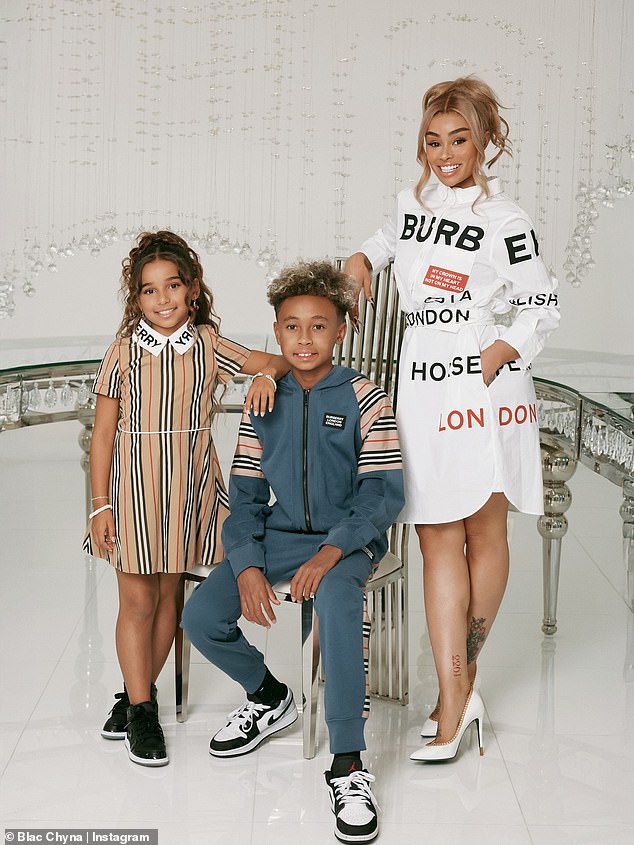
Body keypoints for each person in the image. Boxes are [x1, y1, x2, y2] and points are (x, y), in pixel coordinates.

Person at [344, 76, 560, 762]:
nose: (445, 154)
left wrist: (496, 354)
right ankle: (458, 691)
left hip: (485, 386)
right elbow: (381, 244)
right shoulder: (411, 204)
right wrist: (358, 260)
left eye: (459, 140)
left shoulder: (507, 220)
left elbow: (542, 303)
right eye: (433, 141)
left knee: (482, 529)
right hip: (423, 388)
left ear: (484, 141)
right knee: (436, 532)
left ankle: (454, 695)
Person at [182, 260, 404, 843]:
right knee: (200, 616)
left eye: (319, 326)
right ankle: (269, 696)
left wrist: (330, 553)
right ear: (276, 332)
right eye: (291, 327)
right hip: (280, 535)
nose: (305, 339)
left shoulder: (365, 396)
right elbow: (246, 496)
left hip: (347, 537)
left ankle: (348, 763)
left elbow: (381, 492)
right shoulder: (264, 399)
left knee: (335, 599)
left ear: (342, 330)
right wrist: (247, 564)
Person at [83, 230, 288, 768]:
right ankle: (141, 711)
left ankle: (137, 693)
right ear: (137, 299)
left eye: (172, 286)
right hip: (133, 491)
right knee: (137, 602)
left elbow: (278, 362)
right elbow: (102, 435)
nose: (163, 299)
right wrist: (99, 504)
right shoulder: (123, 351)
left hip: (189, 491)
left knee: (168, 601)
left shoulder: (208, 344)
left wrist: (267, 377)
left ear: (192, 289)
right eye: (149, 290)